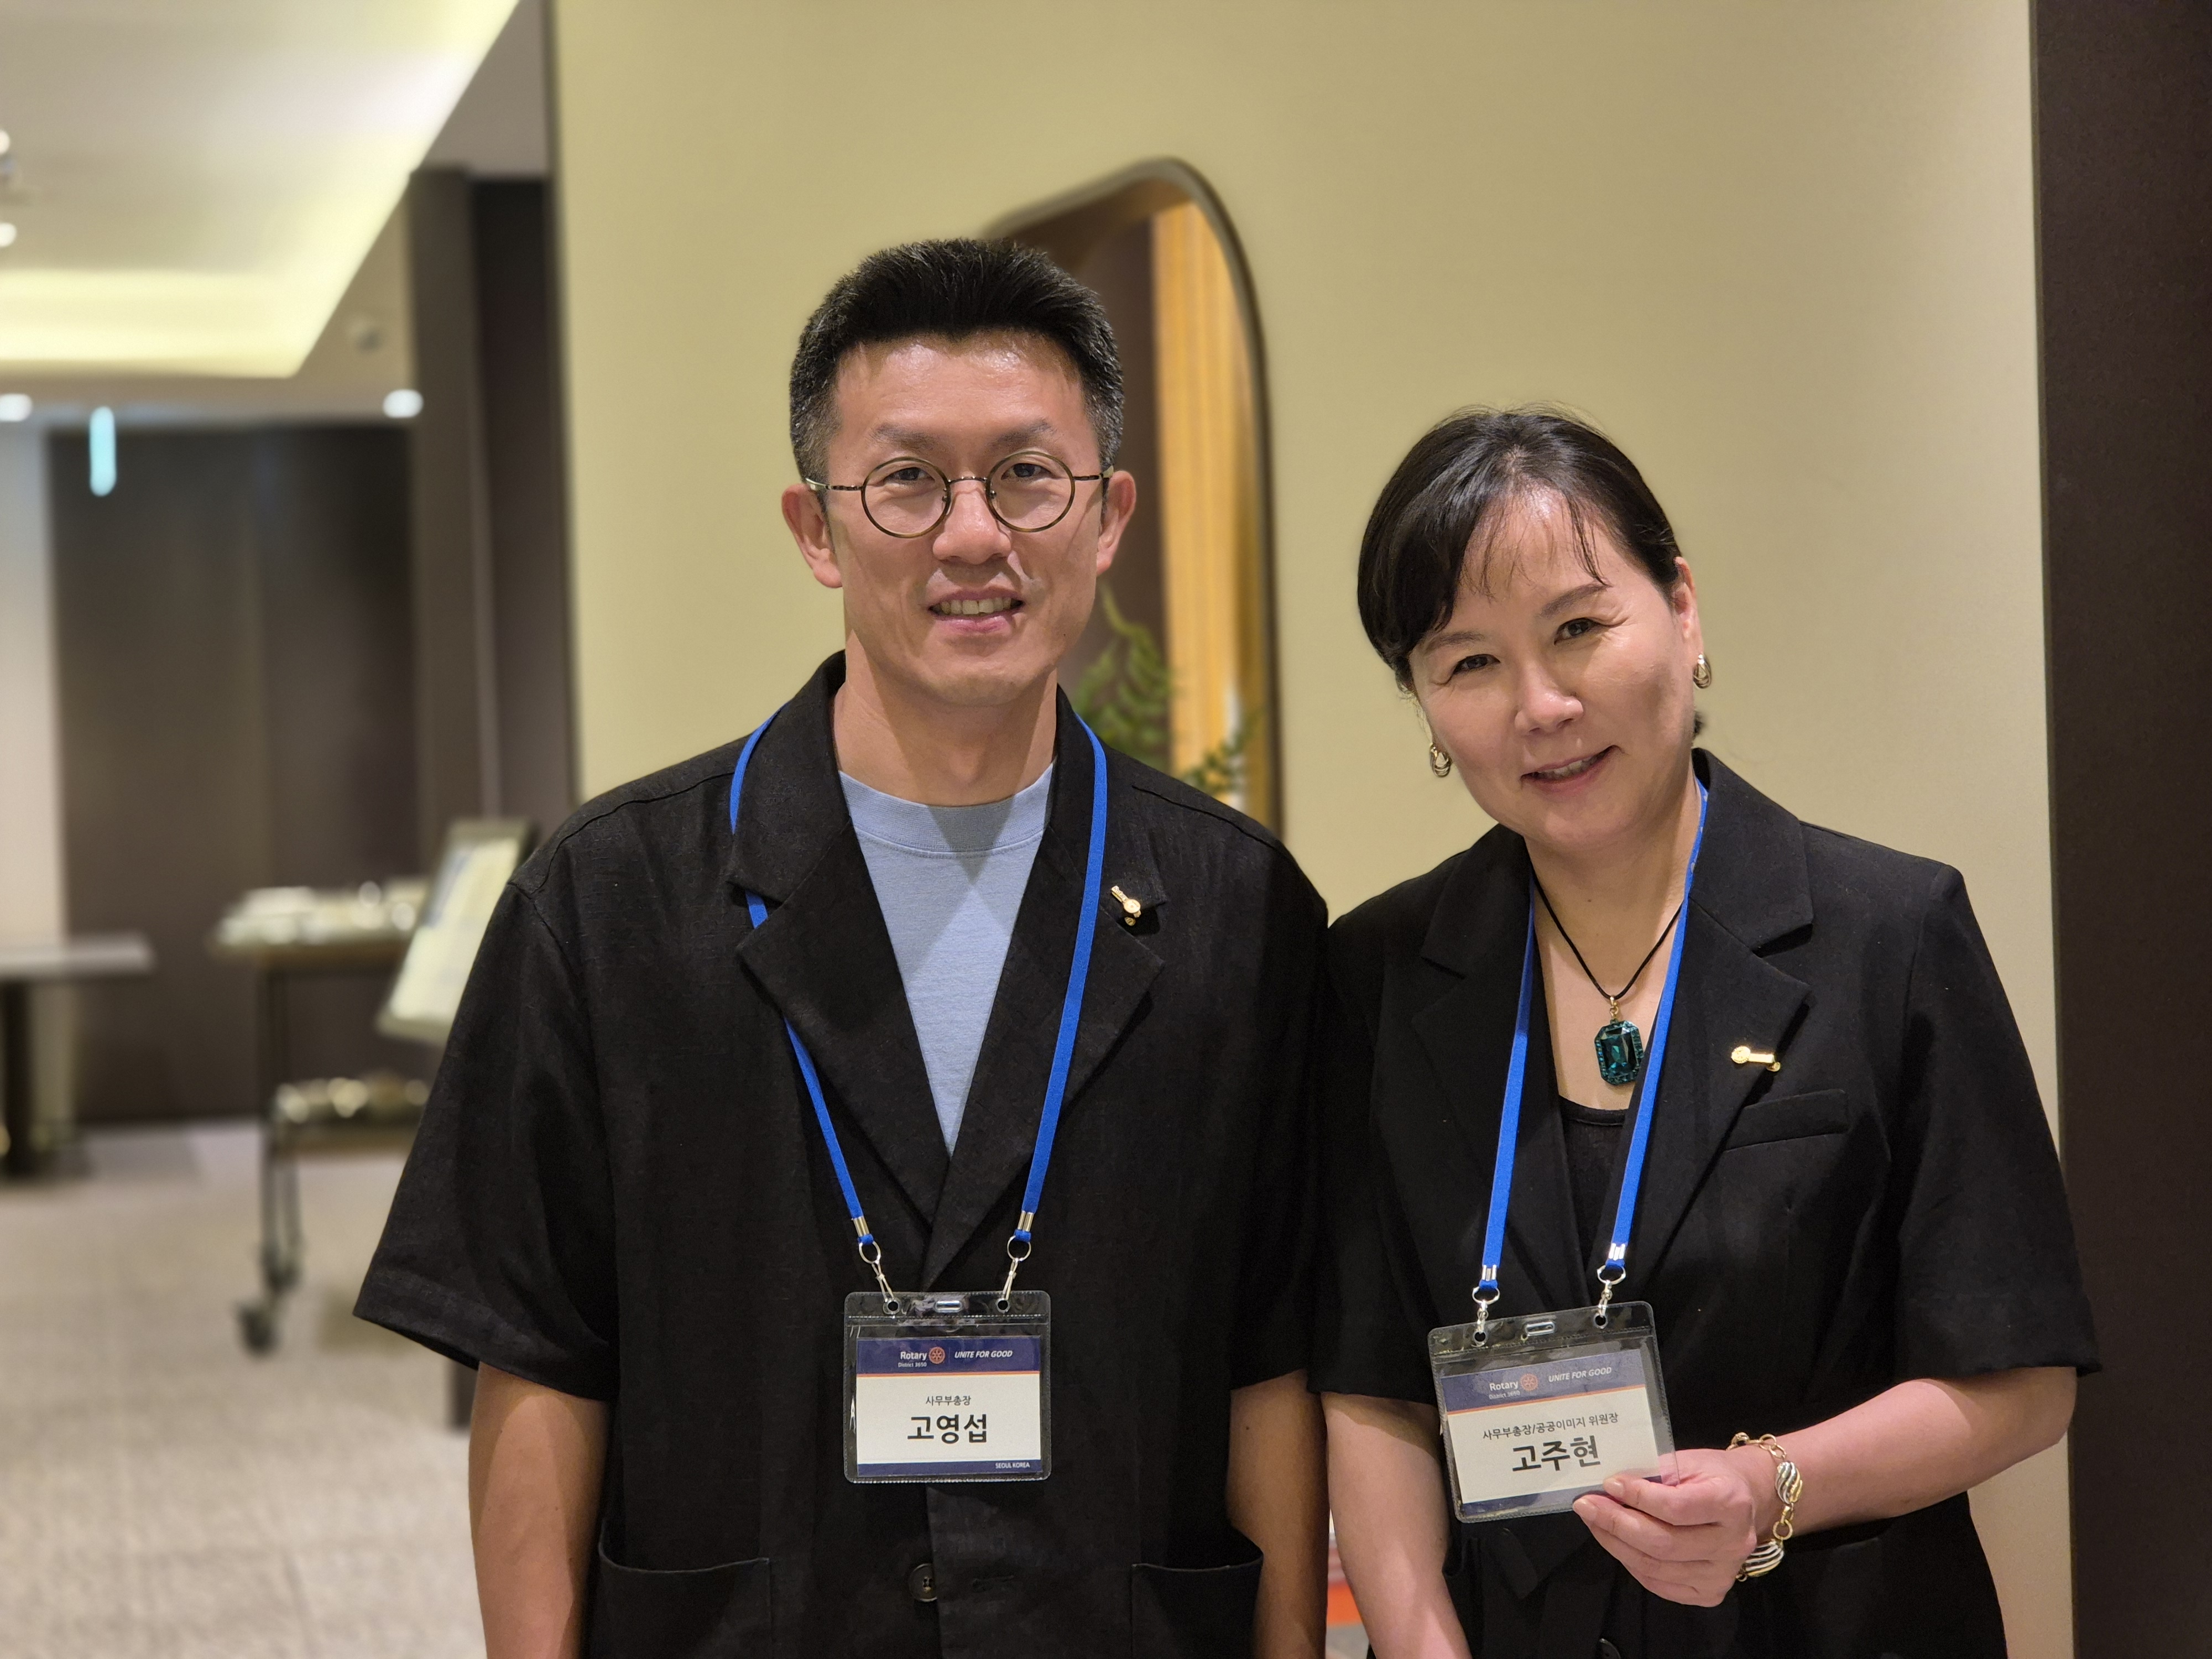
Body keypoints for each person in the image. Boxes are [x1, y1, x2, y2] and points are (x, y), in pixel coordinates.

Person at [358, 239, 1329, 1658]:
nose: (972, 536)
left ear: (1107, 515)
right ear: (817, 530)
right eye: (906, 481)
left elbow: (1268, 1366)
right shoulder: (611, 901)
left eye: (1026, 475)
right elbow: (543, 1364)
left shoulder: (1238, 909)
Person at [1313, 409, 2096, 1659]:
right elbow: (1372, 1387)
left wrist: (1766, 1488)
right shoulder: (1381, 973)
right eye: (1468, 664)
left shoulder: (1887, 935)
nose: (1542, 705)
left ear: (1681, 609)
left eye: (1579, 628)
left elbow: (2020, 1380)